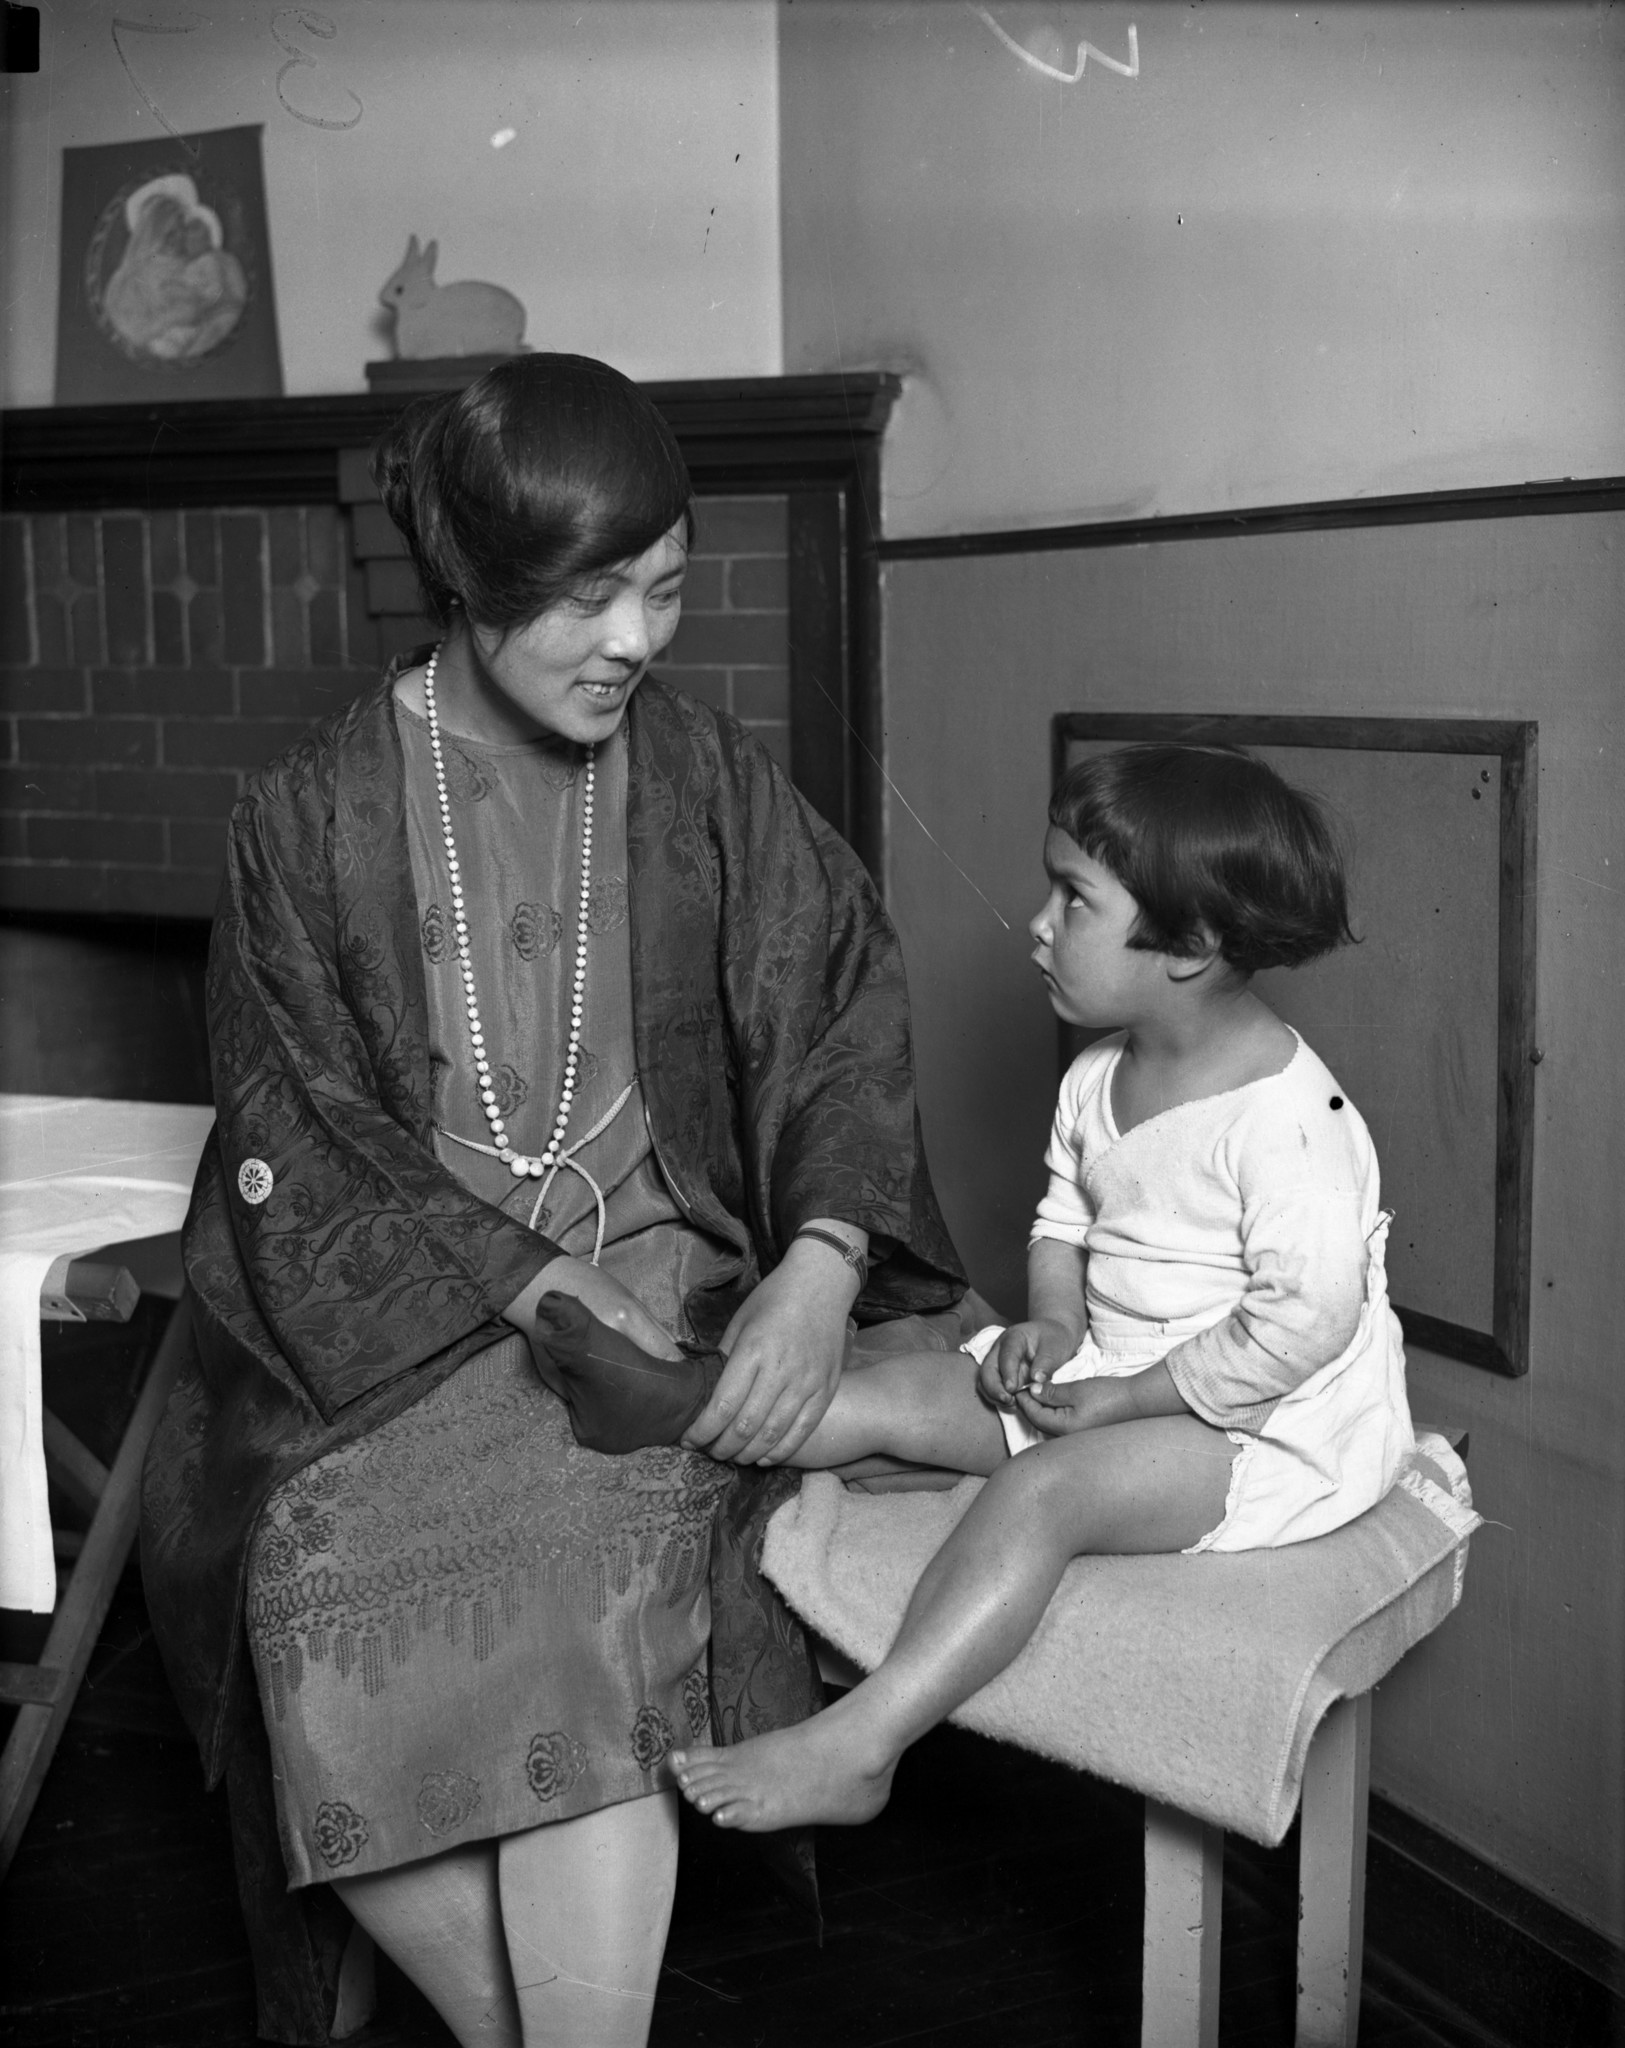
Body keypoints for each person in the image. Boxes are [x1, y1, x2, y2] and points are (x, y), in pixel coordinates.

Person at [139, 353, 970, 2048]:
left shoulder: (704, 782)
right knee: (306, 1583)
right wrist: (529, 1289)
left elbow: (839, 1002)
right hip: (391, 1321)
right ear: (470, 579)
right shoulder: (308, 820)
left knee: (591, 1562)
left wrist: (817, 1264)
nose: (636, 644)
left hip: (664, 1292)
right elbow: (301, 1120)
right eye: (587, 600)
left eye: (664, 590)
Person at [535, 744, 1416, 1834]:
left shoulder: (1290, 1126)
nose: (1038, 921)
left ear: (1186, 945)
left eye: (1073, 898)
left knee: (1040, 1492)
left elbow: (1301, 1327)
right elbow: (1066, 1218)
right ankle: (679, 1399)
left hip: (1258, 1426)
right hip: (1114, 1370)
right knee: (904, 1386)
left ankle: (864, 1743)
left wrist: (1124, 1402)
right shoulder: (1100, 1074)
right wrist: (1051, 1322)